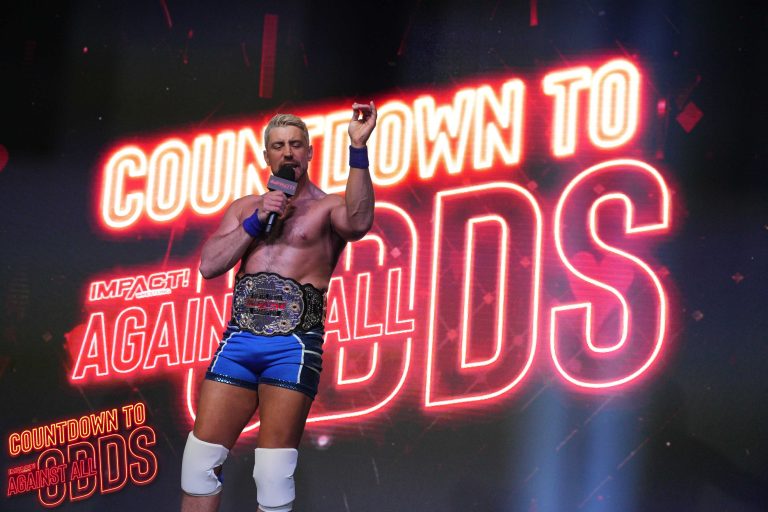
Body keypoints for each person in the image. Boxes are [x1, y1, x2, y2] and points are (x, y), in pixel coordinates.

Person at [180, 103, 377, 512]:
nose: (288, 152)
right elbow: (209, 265)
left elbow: (359, 223)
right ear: (266, 155)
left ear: (309, 153)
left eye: (296, 145)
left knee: (272, 476)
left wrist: (358, 149)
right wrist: (255, 221)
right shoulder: (245, 208)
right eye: (278, 146)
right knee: (198, 466)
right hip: (238, 344)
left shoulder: (326, 208)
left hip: (292, 348)